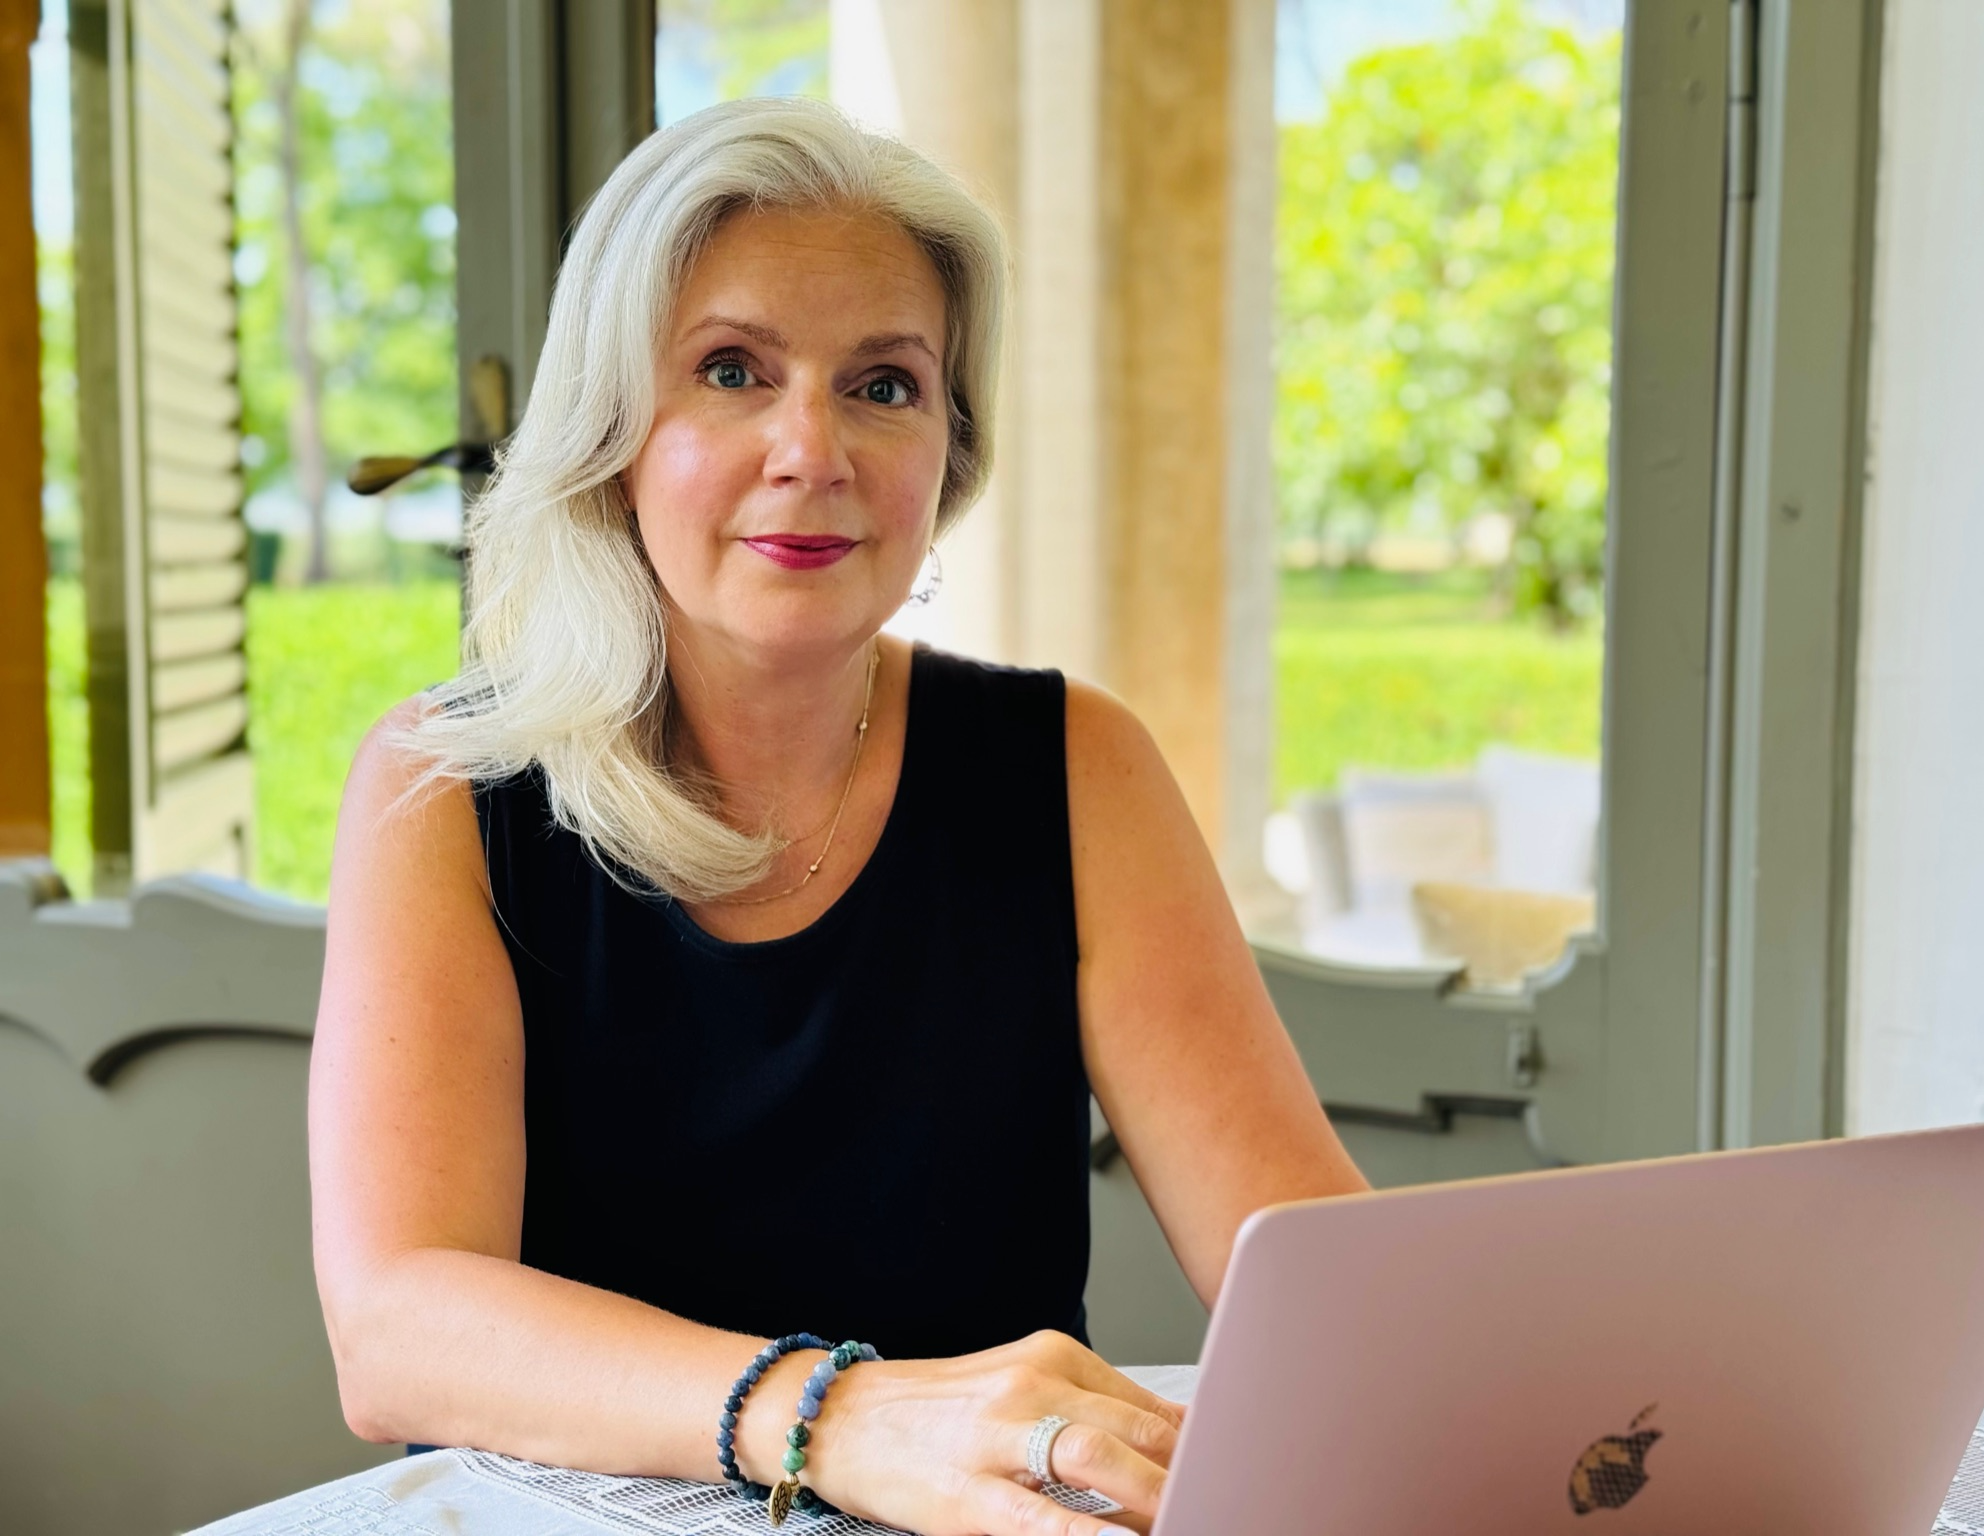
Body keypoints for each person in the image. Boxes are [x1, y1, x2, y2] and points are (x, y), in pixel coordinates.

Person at [309, 96, 1366, 1536]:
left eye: (884, 384)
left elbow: (1318, 1284)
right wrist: (841, 1419)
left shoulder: (1077, 766)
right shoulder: (445, 787)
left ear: (949, 449)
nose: (812, 449)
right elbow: (398, 1328)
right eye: (732, 370)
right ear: (615, 432)